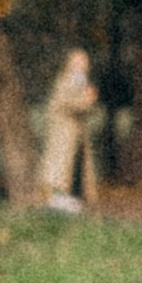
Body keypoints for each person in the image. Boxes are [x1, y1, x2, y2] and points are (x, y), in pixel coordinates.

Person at [38, 49, 101, 214]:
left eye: (85, 61)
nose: (84, 65)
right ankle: (58, 199)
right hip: (65, 131)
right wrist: (89, 99)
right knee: (60, 166)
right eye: (79, 61)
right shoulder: (71, 79)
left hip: (74, 132)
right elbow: (70, 101)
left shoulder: (78, 79)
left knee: (73, 165)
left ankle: (68, 198)